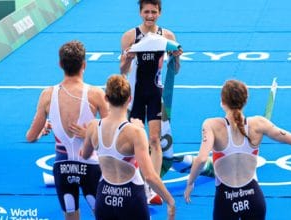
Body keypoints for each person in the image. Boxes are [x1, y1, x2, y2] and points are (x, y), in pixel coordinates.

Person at [183, 79, 291, 220]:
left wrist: (190, 183)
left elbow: (200, 159)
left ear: (222, 102)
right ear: (246, 100)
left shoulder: (212, 125)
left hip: (226, 200)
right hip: (253, 198)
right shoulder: (259, 124)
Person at [26, 40, 108, 220]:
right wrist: (90, 134)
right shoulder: (96, 93)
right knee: (101, 214)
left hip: (62, 167)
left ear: (60, 64)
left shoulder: (47, 94)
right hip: (91, 166)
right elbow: (114, 133)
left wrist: (43, 130)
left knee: (71, 214)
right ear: (84, 65)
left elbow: (31, 136)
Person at [81, 75, 175, 220]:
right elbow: (149, 176)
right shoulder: (135, 133)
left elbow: (85, 155)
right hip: (131, 198)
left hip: (104, 195)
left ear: (106, 98)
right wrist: (170, 200)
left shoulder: (93, 126)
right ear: (129, 99)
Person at [119, 0, 183, 205]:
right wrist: (128, 57)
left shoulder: (168, 36)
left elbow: (175, 70)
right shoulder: (130, 36)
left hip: (155, 95)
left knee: (155, 140)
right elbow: (123, 70)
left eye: (153, 12)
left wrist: (176, 58)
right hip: (135, 96)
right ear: (140, 13)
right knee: (133, 141)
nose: (150, 15)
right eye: (146, 11)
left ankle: (151, 186)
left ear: (160, 13)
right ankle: (130, 180)